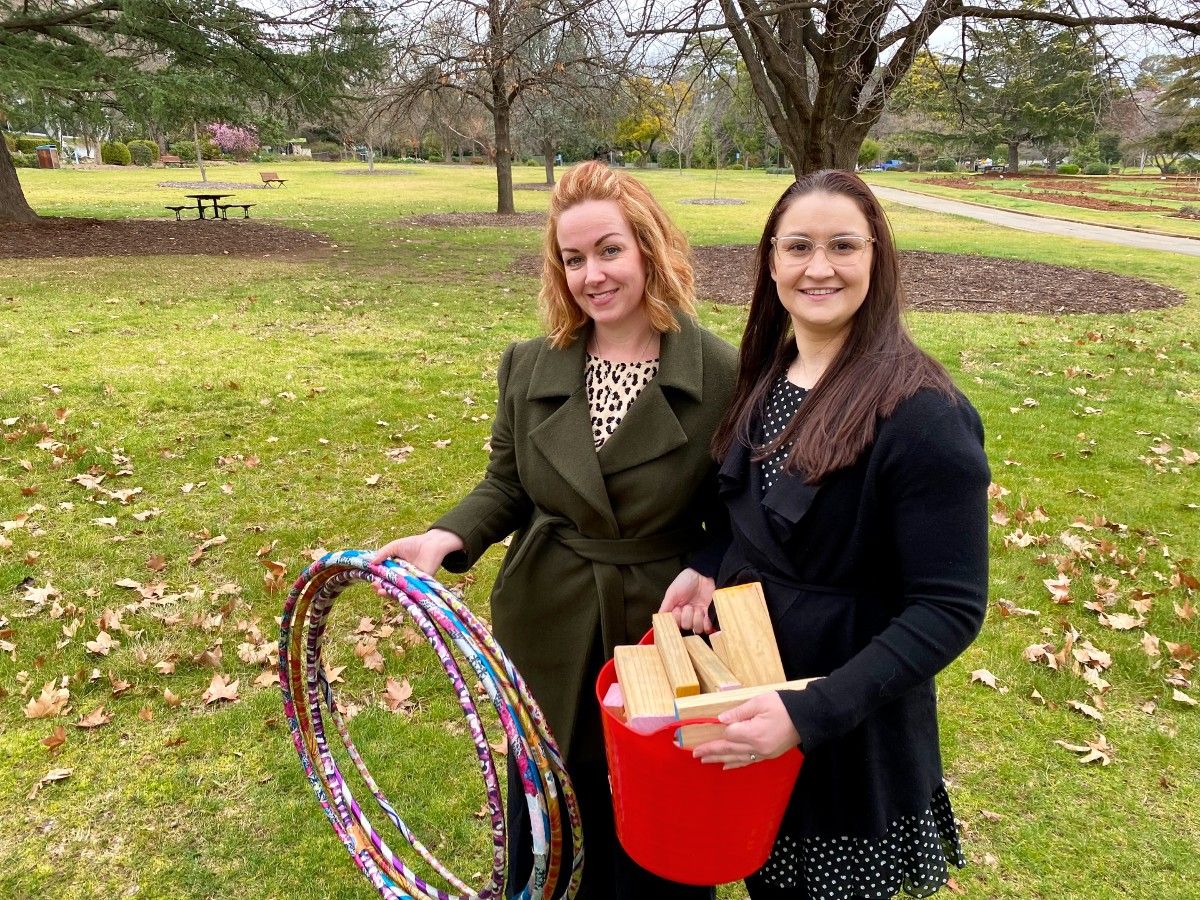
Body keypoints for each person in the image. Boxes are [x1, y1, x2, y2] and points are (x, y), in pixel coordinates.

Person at [373, 160, 737, 899]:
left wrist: (708, 567)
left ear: (648, 248)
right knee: (548, 812)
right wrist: (447, 537)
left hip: (657, 627)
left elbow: (737, 514)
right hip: (547, 615)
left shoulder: (722, 373)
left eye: (609, 250)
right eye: (573, 259)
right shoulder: (530, 364)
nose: (592, 275)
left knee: (655, 820)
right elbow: (507, 484)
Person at [662, 169, 990, 900]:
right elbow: (744, 510)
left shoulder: (923, 415)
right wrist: (710, 564)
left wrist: (811, 714)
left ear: (877, 258)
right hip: (753, 682)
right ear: (771, 260)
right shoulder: (770, 373)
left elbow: (950, 607)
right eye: (798, 246)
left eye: (843, 245)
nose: (819, 267)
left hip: (845, 721)